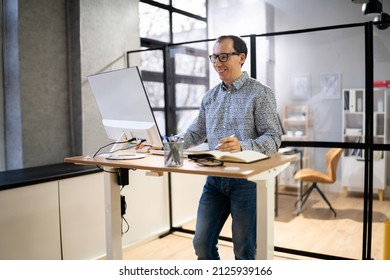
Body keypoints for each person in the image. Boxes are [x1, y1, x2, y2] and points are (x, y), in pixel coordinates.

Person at [182, 35, 282, 260]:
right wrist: (166, 143)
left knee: (243, 250)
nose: (217, 63)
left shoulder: (260, 93)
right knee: (201, 243)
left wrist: (242, 146)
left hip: (246, 182)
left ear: (241, 58)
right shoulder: (209, 98)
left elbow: (274, 138)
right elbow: (194, 133)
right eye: (214, 57)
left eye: (224, 56)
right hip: (215, 179)